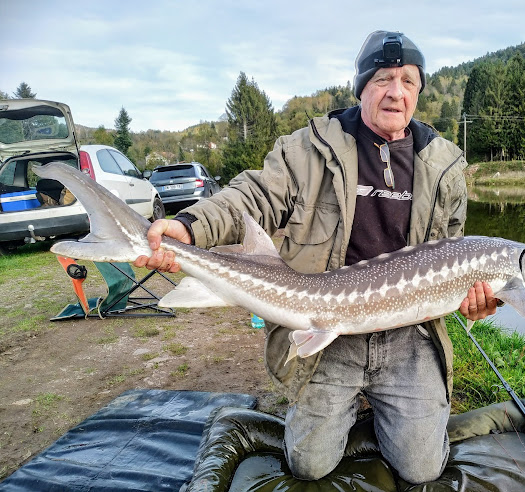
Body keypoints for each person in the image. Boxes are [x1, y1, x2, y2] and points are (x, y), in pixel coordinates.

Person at [135, 30, 498, 484]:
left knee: (422, 467)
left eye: (408, 81)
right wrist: (189, 226)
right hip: (325, 326)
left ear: (419, 91)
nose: (396, 93)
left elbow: (457, 252)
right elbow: (251, 197)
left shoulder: (443, 165)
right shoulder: (311, 149)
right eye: (384, 79)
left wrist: (474, 300)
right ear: (362, 86)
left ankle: (389, 412)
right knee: (309, 464)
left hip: (409, 338)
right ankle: (340, 410)